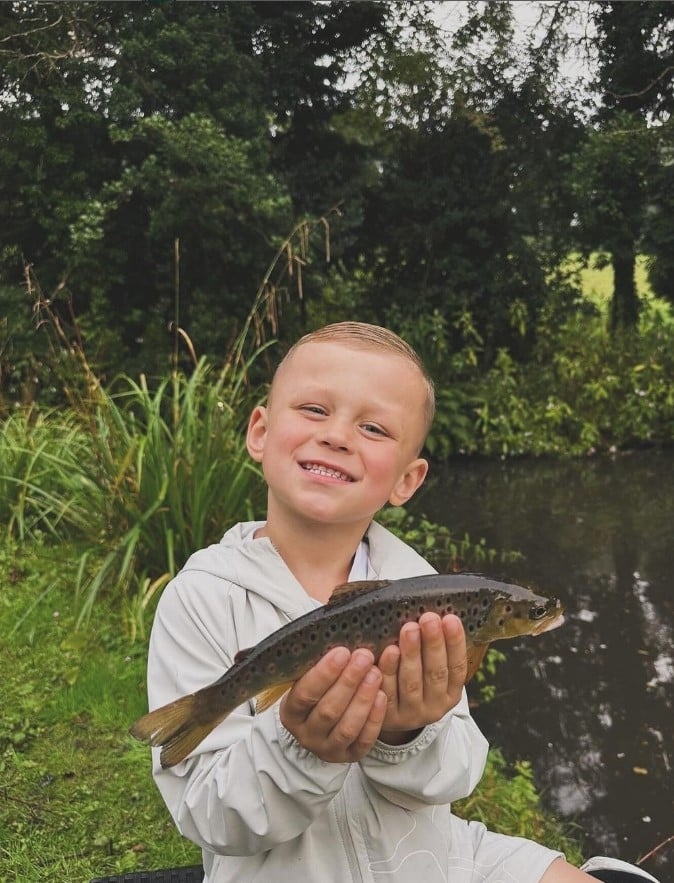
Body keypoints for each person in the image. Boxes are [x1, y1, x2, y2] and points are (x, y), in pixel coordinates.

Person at [145, 322, 659, 883]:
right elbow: (208, 815)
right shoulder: (199, 598)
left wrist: (407, 733)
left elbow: (456, 775)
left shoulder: (426, 587)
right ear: (260, 432)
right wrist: (299, 746)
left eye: (372, 427)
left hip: (428, 857)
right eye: (314, 410)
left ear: (408, 481)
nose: (338, 435)